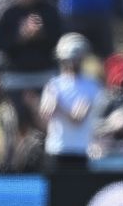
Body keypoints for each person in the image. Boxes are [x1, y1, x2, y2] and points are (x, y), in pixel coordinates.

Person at [38, 32, 106, 171]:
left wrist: (59, 105)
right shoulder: (54, 84)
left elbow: (78, 118)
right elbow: (45, 115)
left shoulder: (91, 86)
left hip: (80, 150)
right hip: (56, 149)